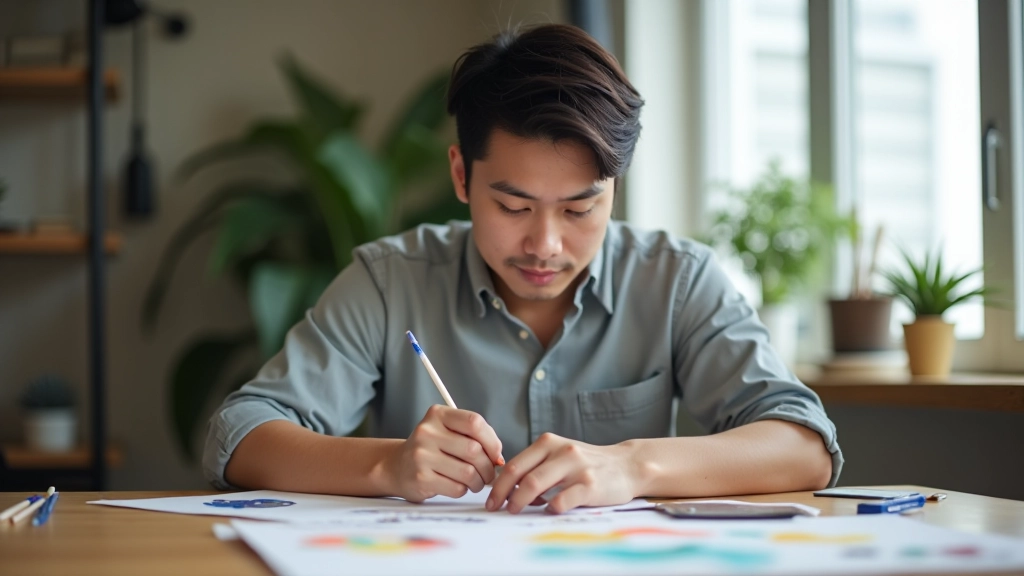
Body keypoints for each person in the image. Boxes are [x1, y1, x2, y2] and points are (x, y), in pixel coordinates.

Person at [203, 23, 841, 514]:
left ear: (614, 188)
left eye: (580, 207)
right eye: (513, 205)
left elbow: (804, 444)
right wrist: (388, 466)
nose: (545, 243)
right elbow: (241, 434)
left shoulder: (677, 282)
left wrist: (633, 466)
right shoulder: (391, 281)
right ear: (461, 174)